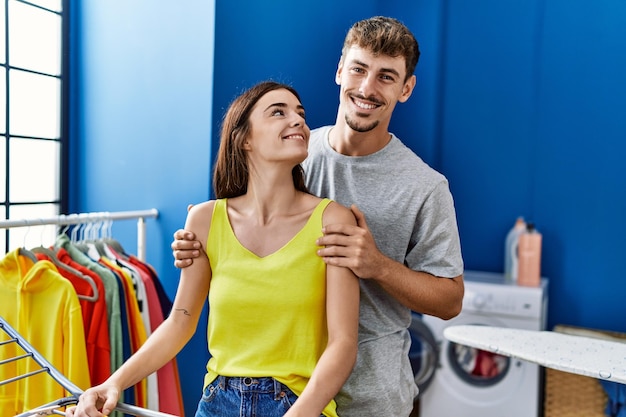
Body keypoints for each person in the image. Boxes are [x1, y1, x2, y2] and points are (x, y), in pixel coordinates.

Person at [172, 16, 464, 417]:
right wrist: (198, 239)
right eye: (359, 69)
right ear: (340, 70)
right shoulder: (294, 149)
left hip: (370, 398)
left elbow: (450, 299)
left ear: (406, 88)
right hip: (287, 390)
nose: (366, 87)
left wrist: (376, 265)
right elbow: (244, 222)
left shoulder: (424, 187)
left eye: (386, 77)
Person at [67, 81, 360, 417]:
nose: (298, 121)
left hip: (299, 404)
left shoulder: (333, 221)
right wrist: (114, 382)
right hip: (218, 402)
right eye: (279, 112)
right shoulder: (205, 220)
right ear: (244, 139)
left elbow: (343, 344)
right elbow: (180, 321)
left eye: (300, 114)